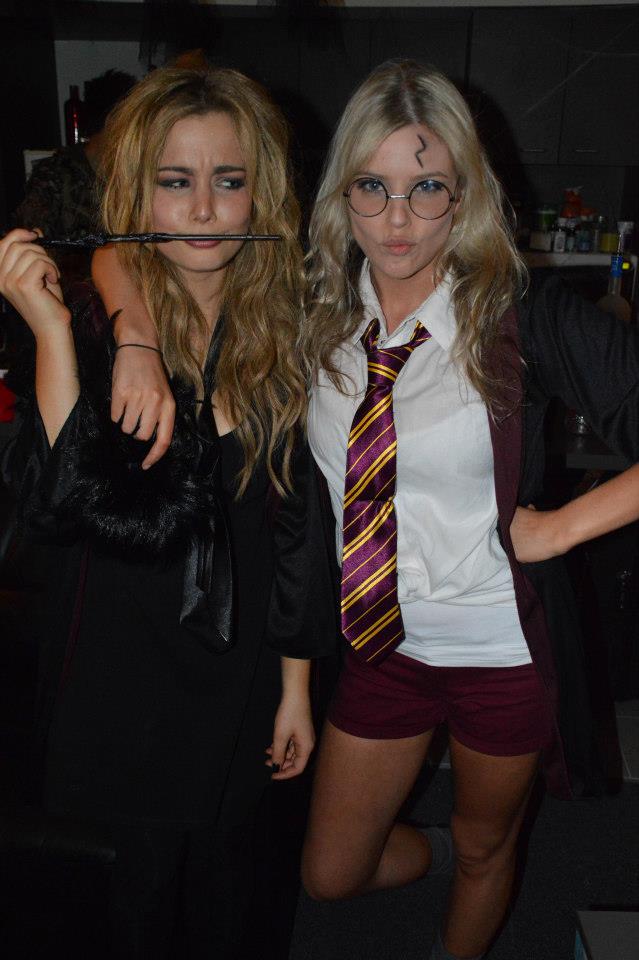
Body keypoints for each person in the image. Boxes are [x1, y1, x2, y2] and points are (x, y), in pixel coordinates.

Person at [88, 61, 639, 960]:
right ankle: (451, 862)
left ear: (464, 194)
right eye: (371, 188)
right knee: (330, 874)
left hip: (498, 654)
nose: (397, 219)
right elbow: (125, 249)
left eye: (427, 188)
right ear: (340, 195)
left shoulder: (520, 318)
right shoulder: (312, 315)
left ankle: (472, 885)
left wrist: (561, 528)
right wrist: (136, 339)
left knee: (485, 844)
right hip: (379, 649)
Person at [0, 64, 335, 959]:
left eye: (229, 181)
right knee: (133, 909)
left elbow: (297, 535)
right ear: (137, 193)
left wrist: (296, 690)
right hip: (124, 682)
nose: (204, 210)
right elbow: (54, 507)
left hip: (242, 675)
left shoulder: (289, 335)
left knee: (235, 900)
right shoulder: (96, 323)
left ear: (261, 194)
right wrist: (56, 333)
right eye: (175, 181)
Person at [15, 69, 137, 288]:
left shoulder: (137, 177)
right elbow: (31, 247)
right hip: (67, 298)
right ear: (115, 121)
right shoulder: (54, 175)